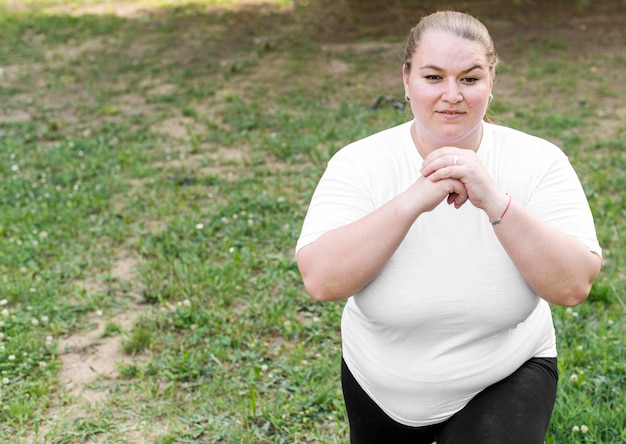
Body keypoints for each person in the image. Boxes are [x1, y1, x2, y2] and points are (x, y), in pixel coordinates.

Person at [295, 10, 602, 444]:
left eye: (470, 79)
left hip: (505, 372)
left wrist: (495, 201)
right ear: (406, 80)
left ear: (491, 82)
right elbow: (321, 280)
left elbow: (573, 286)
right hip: (379, 384)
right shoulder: (360, 163)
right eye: (434, 77)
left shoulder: (539, 161)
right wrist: (412, 201)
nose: (452, 96)